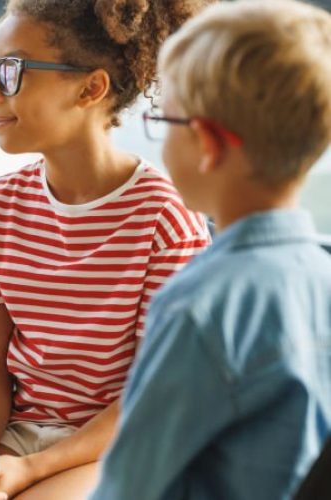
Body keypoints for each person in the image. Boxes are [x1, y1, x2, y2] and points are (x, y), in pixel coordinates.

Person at [0, 1, 212, 498]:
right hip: (17, 441)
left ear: (90, 88)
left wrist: (31, 472)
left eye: (13, 71)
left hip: (124, 449)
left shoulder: (165, 219)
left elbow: (149, 400)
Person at [92, 1, 331, 498]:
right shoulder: (321, 274)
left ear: (206, 143)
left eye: (164, 119)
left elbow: (127, 487)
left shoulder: (199, 307)